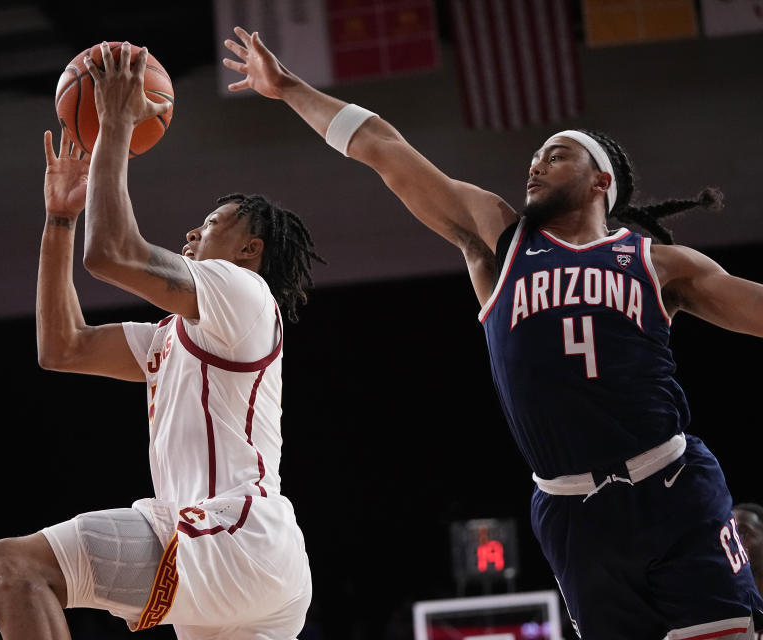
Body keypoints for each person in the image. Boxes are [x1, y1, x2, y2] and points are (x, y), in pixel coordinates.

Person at [222, 26, 763, 640]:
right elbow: (383, 147)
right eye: (535, 153)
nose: (536, 161)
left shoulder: (658, 264)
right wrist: (288, 87)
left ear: (600, 182)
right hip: (571, 509)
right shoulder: (500, 243)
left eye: (558, 153)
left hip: (671, 486)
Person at [0, 42, 322, 640]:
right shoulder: (179, 334)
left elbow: (112, 252)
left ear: (250, 250)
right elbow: (63, 347)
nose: (194, 229)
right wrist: (60, 221)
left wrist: (115, 120)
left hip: (233, 534)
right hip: (255, 563)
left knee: (14, 566)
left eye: (215, 223)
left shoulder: (242, 291)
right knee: (18, 569)